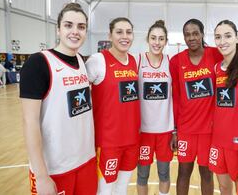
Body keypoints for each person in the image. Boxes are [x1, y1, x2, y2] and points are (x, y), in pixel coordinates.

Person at [20, 3, 97, 195]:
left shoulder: (81, 61)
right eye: (68, 25)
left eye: (81, 27)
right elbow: (30, 123)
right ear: (58, 29)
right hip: (55, 169)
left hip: (86, 160)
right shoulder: (38, 63)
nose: (75, 32)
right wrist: (41, 176)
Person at [85, 17, 140, 195]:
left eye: (128, 32)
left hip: (131, 139)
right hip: (108, 142)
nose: (125, 36)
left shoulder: (134, 61)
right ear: (110, 36)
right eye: (119, 32)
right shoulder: (97, 61)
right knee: (105, 190)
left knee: (122, 188)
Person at [169, 18, 223, 195]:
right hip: (186, 129)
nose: (191, 37)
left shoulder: (215, 54)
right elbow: (176, 97)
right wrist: (175, 130)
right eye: (187, 34)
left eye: (195, 33)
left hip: (209, 129)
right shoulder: (176, 61)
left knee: (206, 173)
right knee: (183, 172)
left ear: (202, 34)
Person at [209, 20, 238, 195]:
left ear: (237, 37)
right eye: (218, 37)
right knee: (223, 187)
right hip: (218, 138)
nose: (223, 41)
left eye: (228, 36)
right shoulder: (216, 68)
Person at [136, 20, 174, 195]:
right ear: (147, 39)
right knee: (142, 175)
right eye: (153, 38)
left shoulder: (170, 63)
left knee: (164, 173)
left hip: (165, 130)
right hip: (143, 131)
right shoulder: (138, 60)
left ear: (166, 41)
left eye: (161, 39)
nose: (157, 42)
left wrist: (175, 130)